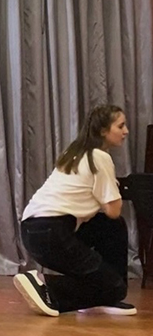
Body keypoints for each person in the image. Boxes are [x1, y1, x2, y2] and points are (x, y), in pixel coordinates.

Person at [13, 104, 136, 316]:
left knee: (111, 227)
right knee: (114, 286)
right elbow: (113, 210)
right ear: (103, 131)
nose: (126, 131)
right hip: (52, 232)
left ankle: (109, 294)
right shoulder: (100, 157)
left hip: (33, 231)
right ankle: (45, 285)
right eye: (120, 126)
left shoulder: (74, 152)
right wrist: (113, 189)